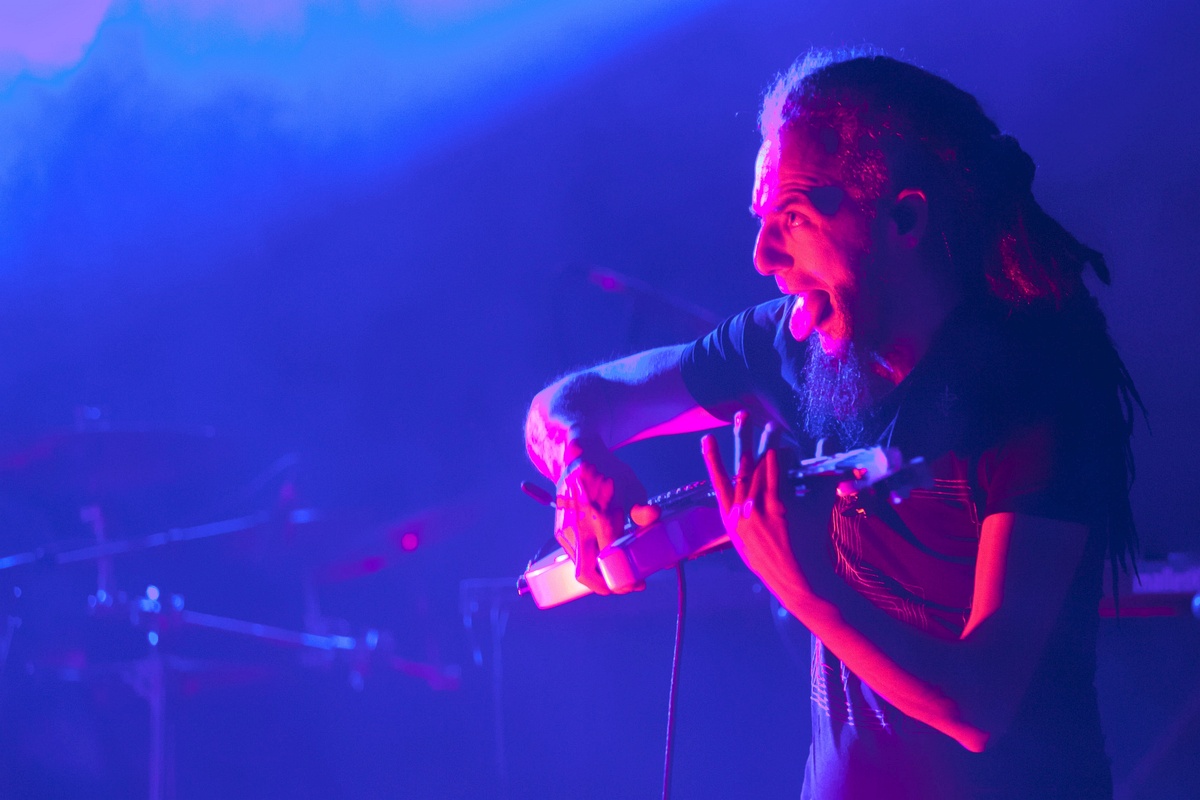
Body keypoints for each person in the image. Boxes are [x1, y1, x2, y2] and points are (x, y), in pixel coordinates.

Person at [524, 51, 1140, 799]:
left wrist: (805, 581)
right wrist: (577, 459)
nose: (762, 256)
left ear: (903, 218)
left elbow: (981, 701)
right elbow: (572, 401)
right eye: (762, 220)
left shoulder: (1034, 391)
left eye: (794, 218)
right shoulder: (787, 347)